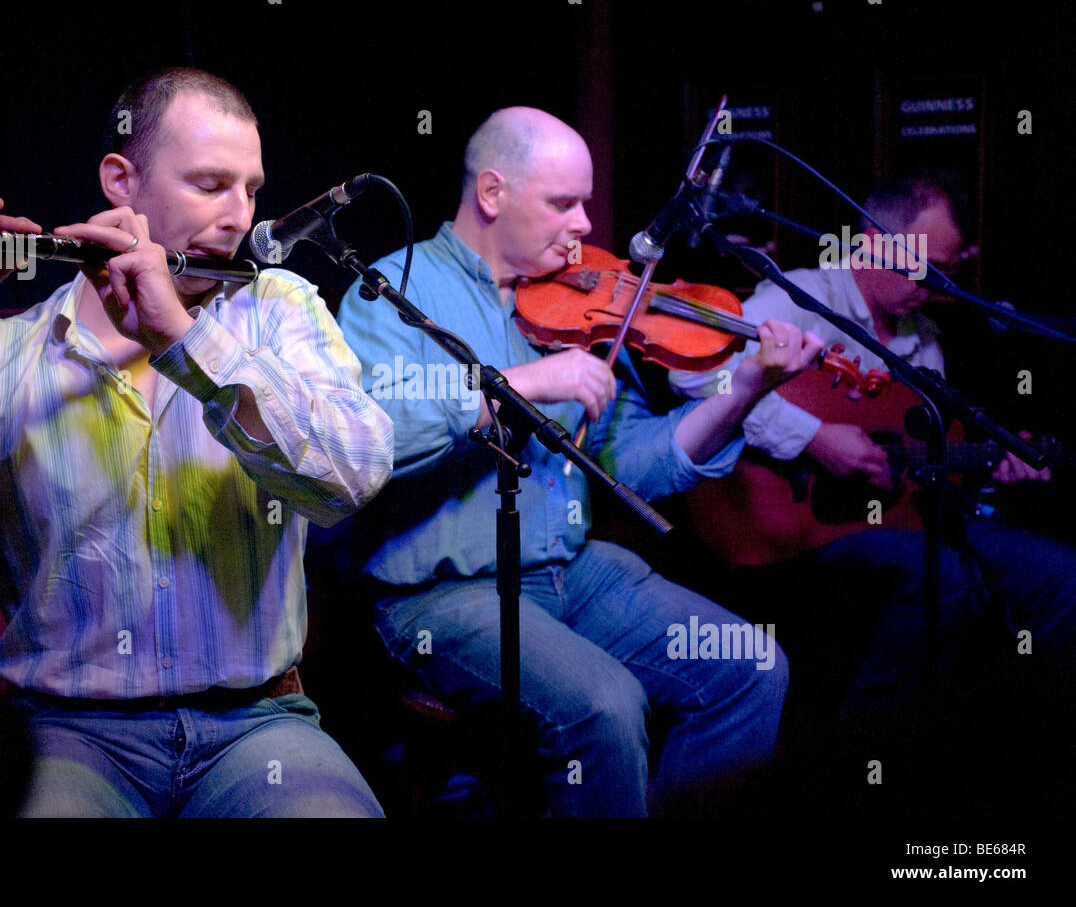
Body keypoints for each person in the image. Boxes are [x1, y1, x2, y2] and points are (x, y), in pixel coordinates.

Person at [0, 67, 394, 817]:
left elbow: (351, 475)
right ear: (120, 181)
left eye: (251, 189)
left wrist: (184, 341)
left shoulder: (280, 310)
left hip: (257, 726)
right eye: (209, 184)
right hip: (70, 734)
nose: (238, 218)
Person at [326, 106, 824, 816]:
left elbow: (634, 465)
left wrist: (746, 389)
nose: (587, 224)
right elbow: (369, 433)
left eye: (585, 202)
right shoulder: (392, 291)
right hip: (446, 596)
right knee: (604, 705)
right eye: (564, 203)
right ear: (493, 194)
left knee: (751, 667)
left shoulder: (574, 305)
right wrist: (521, 383)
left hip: (577, 574)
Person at [669, 173, 1076, 711]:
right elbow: (696, 373)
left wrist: (992, 460)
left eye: (948, 272)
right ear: (875, 240)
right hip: (781, 521)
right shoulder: (801, 297)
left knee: (1060, 574)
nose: (936, 285)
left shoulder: (923, 335)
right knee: (945, 577)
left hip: (878, 517)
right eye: (928, 268)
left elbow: (913, 456)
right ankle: (864, 753)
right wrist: (813, 439)